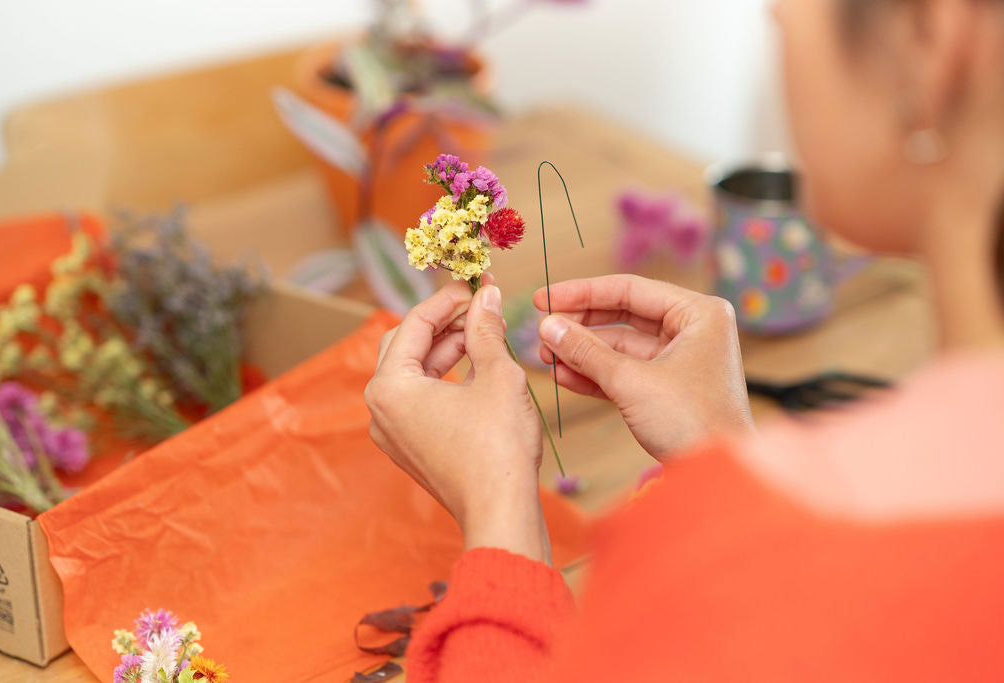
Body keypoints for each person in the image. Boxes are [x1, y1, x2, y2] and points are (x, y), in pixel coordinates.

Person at [364, 0, 1004, 680]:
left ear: (934, 34)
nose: (778, 15)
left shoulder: (693, 570)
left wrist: (497, 513)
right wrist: (720, 454)